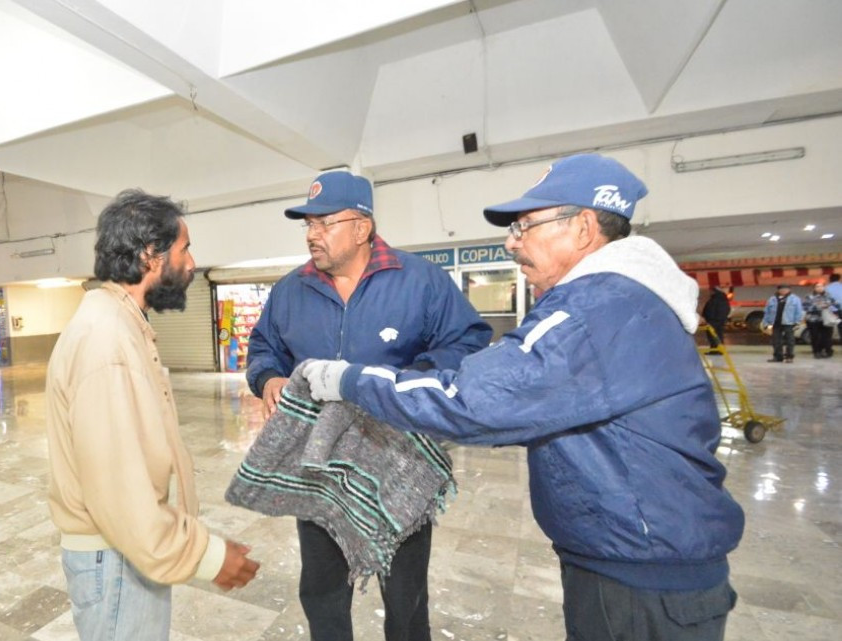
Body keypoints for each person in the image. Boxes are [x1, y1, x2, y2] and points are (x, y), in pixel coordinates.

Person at [301, 154, 743, 641]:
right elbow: (526, 405)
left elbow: (471, 399)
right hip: (635, 558)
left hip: (641, 580)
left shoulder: (596, 310)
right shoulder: (613, 302)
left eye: (525, 225)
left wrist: (347, 380)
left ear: (582, 228)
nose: (512, 241)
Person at [245, 170, 492, 641]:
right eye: (308, 224)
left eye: (324, 223)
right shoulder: (289, 290)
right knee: (321, 592)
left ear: (362, 228)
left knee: (405, 596)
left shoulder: (421, 282)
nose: (312, 234)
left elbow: (469, 344)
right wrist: (269, 377)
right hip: (318, 467)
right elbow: (263, 347)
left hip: (398, 468)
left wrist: (403, 384)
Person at [45, 189, 259, 641]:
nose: (192, 261)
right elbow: (120, 492)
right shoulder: (107, 340)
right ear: (150, 255)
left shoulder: (120, 323)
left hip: (125, 554)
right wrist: (207, 557)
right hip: (118, 560)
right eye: (184, 248)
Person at [763, 284, 804, 363]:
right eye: (782, 289)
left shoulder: (795, 299)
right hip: (776, 322)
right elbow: (767, 311)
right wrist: (766, 322)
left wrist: (797, 322)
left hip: (789, 322)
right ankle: (778, 356)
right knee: (776, 340)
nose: (784, 291)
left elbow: (799, 311)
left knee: (790, 340)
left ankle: (789, 356)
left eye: (786, 289)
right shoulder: (772, 299)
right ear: (778, 290)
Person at [802, 282, 837, 359]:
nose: (819, 288)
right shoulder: (809, 296)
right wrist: (818, 307)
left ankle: (827, 351)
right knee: (815, 336)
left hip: (827, 319)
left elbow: (835, 306)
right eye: (817, 286)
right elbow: (805, 307)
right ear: (814, 288)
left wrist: (829, 307)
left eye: (821, 286)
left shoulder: (829, 296)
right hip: (813, 319)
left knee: (827, 336)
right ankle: (816, 352)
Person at [701, 285, 731, 353]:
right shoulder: (720, 298)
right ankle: (716, 350)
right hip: (716, 320)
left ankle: (716, 350)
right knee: (716, 335)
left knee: (714, 336)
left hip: (715, 320)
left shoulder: (717, 298)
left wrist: (711, 318)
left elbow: (712, 309)